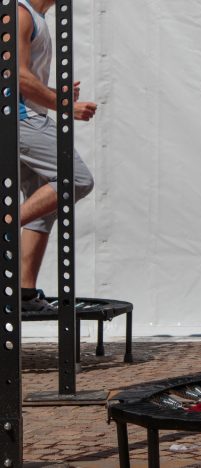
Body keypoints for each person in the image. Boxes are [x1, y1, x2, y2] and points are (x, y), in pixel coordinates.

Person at [17, 0, 96, 313]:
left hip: (27, 114)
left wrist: (55, 93)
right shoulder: (20, 14)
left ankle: (24, 296)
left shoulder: (36, 16)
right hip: (21, 119)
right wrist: (64, 104)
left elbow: (27, 78)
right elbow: (18, 78)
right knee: (76, 179)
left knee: (43, 208)